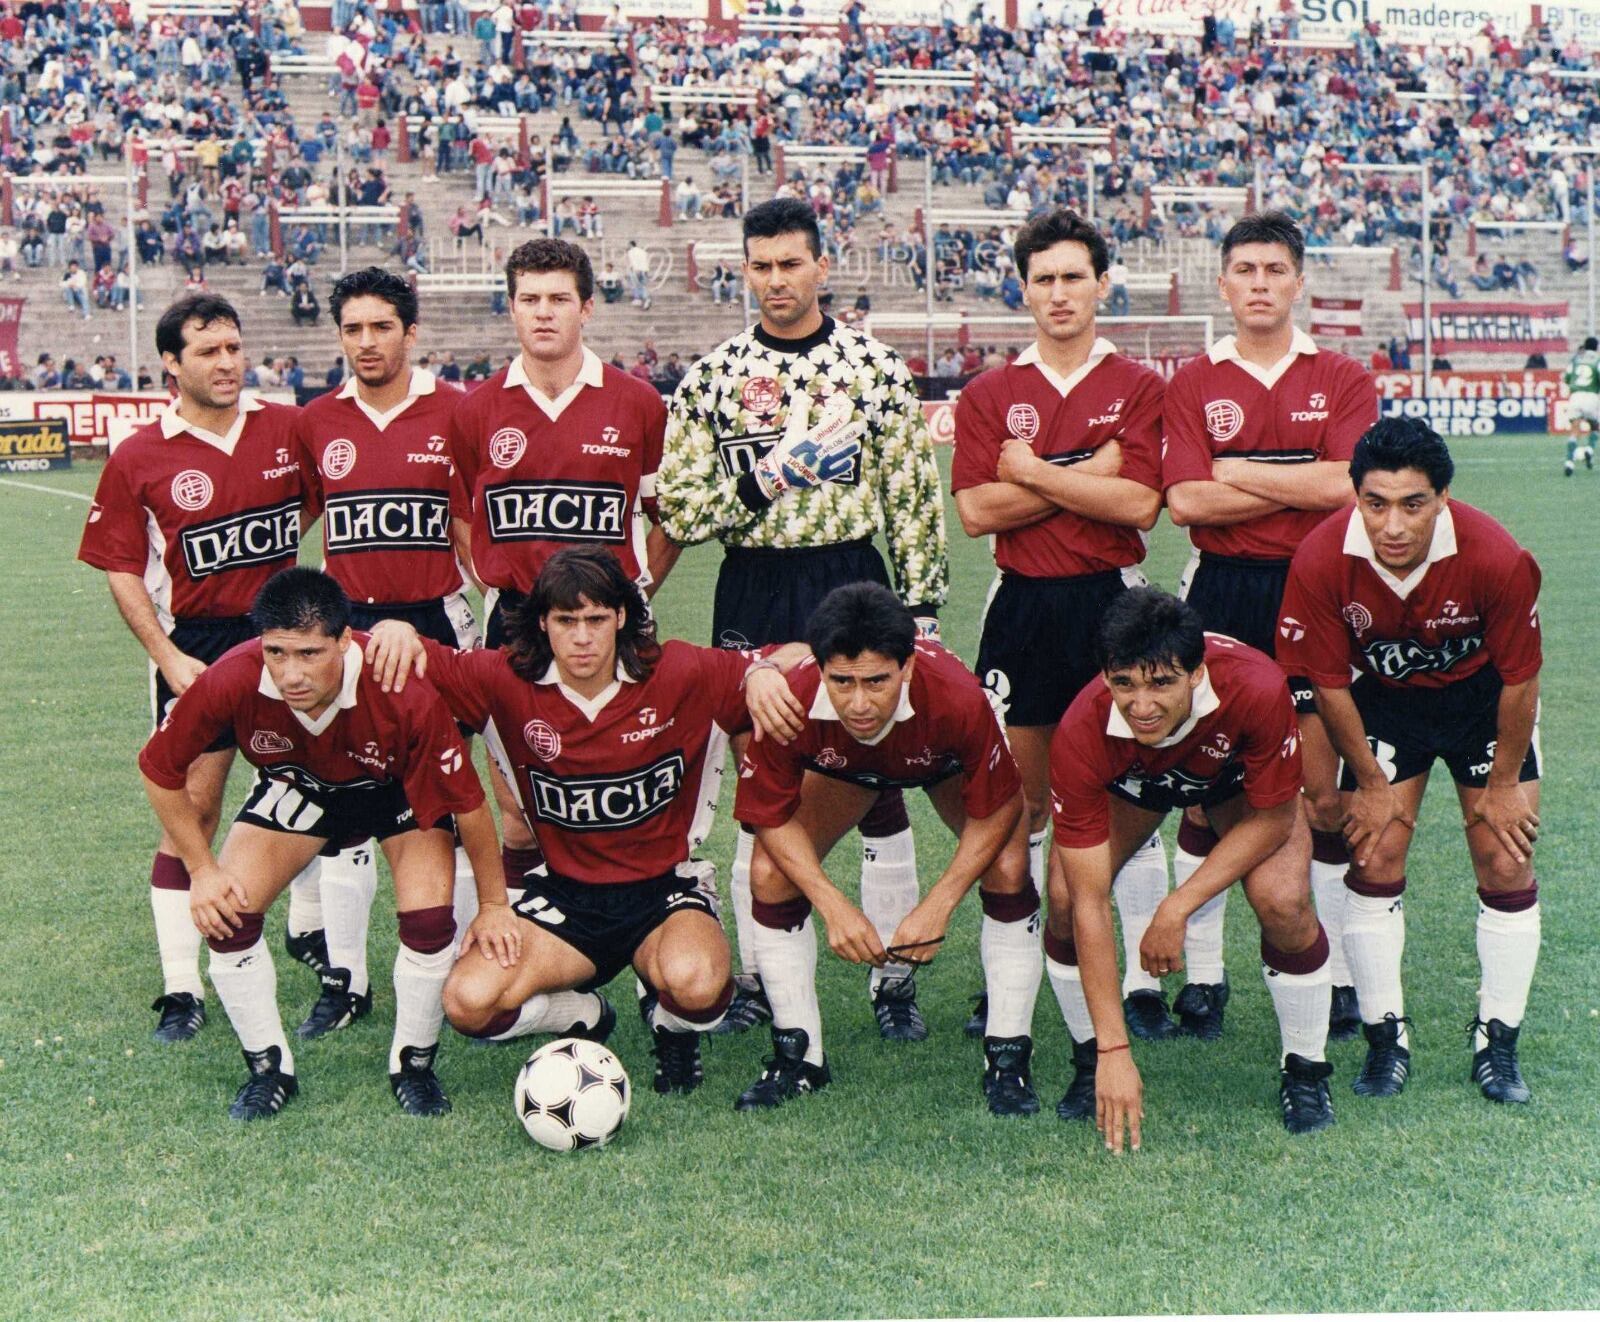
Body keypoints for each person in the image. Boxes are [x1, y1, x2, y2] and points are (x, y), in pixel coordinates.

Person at [657, 197, 950, 1041]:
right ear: (742, 271)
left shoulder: (873, 368)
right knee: (765, 788)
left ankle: (894, 978)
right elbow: (680, 506)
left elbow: (911, 497)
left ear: (823, 266)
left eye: (791, 264)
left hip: (852, 579)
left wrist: (922, 607)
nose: (776, 280)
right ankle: (755, 973)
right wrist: (764, 481)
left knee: (881, 788)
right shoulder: (713, 378)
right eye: (761, 266)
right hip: (753, 587)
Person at [365, 546, 808, 1093]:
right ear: (543, 624)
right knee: (468, 1003)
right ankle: (582, 1015)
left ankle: (673, 1029)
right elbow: (411, 654)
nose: (582, 637)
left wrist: (761, 670)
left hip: (663, 892)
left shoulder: (681, 671)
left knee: (699, 989)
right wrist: (393, 628)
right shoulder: (502, 679)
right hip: (566, 898)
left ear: (622, 616)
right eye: (566, 621)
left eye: (596, 619)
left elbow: (802, 653)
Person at [139, 568, 510, 1119]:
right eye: (277, 652)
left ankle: (413, 1064)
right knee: (228, 914)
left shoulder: (400, 686)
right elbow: (158, 770)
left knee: (430, 920)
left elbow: (470, 805)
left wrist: (495, 904)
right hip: (303, 790)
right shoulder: (233, 676)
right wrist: (203, 870)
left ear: (345, 640)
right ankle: (269, 1070)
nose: (291, 673)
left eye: (310, 653)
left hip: (395, 795)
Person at [950, 208, 1173, 1041]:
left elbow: (1139, 502)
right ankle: (1005, 984)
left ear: (1102, 284)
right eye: (1042, 278)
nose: (1058, 292)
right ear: (1023, 289)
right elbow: (977, 512)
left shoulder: (1142, 387)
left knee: (1134, 785)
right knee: (1021, 802)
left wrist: (1036, 472)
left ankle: (1142, 984)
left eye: (1074, 276)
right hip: (1024, 607)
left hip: (1112, 602)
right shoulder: (990, 392)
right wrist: (1089, 471)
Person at [1277, 419, 1543, 1106]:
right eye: (1376, 503)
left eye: (1413, 504)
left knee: (1505, 858)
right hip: (1385, 706)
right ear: (1355, 495)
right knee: (1373, 855)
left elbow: (1520, 681)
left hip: (1483, 703)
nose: (1393, 525)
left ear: (1444, 498)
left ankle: (1497, 1040)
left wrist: (1506, 783)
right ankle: (1384, 1038)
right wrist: (1368, 783)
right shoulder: (1320, 558)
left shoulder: (1496, 556)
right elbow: (1328, 685)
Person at [1161, 210, 1378, 1042]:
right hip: (1220, 590)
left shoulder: (1342, 375)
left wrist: (1240, 471)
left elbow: (1350, 489)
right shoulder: (1192, 381)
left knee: (1323, 795)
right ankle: (1205, 978)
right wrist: (1299, 476)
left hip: (1317, 588)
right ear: (1223, 284)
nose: (1258, 284)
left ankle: (1341, 976)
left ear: (1297, 281)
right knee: (1205, 783)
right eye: (1243, 270)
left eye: (1273, 270)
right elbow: (1186, 501)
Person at [77, 294, 309, 1044]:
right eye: (208, 351)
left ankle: (322, 946)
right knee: (195, 814)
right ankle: (182, 987)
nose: (227, 363)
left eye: (235, 348)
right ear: (171, 364)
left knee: (317, 791)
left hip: (284, 639)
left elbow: (311, 503)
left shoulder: (285, 428)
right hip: (200, 646)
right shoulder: (140, 456)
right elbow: (118, 567)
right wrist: (168, 655)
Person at [734, 584, 1041, 1115]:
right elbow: (770, 817)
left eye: (877, 681)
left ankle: (1008, 1057)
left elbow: (999, 809)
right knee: (769, 875)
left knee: (1010, 869)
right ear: (821, 668)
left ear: (908, 668)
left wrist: (938, 904)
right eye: (842, 681)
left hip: (938, 761)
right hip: (845, 766)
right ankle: (799, 1057)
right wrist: (835, 907)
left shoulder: (956, 695)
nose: (858, 702)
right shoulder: (793, 696)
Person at [447, 237, 682, 915]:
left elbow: (668, 516)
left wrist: (636, 595)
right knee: (520, 806)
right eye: (529, 300)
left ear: (587, 307)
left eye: (558, 300)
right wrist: (493, 584)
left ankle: (635, 936)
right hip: (516, 622)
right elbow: (465, 518)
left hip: (609, 626)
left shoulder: (637, 403)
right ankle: (528, 938)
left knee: (622, 793)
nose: (543, 314)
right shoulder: (478, 409)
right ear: (512, 309)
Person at [1051, 588, 1334, 1149]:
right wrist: (1114, 1051)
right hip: (1138, 782)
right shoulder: (1081, 730)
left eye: (1161, 683)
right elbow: (1088, 901)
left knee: (1283, 899)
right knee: (1062, 898)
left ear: (1197, 674)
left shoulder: (1255, 685)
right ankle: (1090, 1061)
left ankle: (1306, 1068)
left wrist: (1176, 905)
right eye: (1124, 683)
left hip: (1230, 781)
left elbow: (1276, 819)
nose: (1141, 703)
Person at [289, 267, 487, 1040]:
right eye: (352, 329)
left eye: (381, 327)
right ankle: (346, 979)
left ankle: (471, 960)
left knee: (444, 802)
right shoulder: (315, 422)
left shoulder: (457, 413)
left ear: (411, 331)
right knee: (345, 807)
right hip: (348, 633)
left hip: (435, 627)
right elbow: (292, 523)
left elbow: (475, 529)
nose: (366, 343)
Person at [1561, 335, 1599, 476]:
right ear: (1596, 347)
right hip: (1591, 396)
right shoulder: (1598, 360)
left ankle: (1569, 462)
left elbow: (1566, 378)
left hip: (1575, 396)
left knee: (1575, 429)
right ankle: (1589, 450)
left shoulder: (1576, 359)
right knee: (1595, 426)